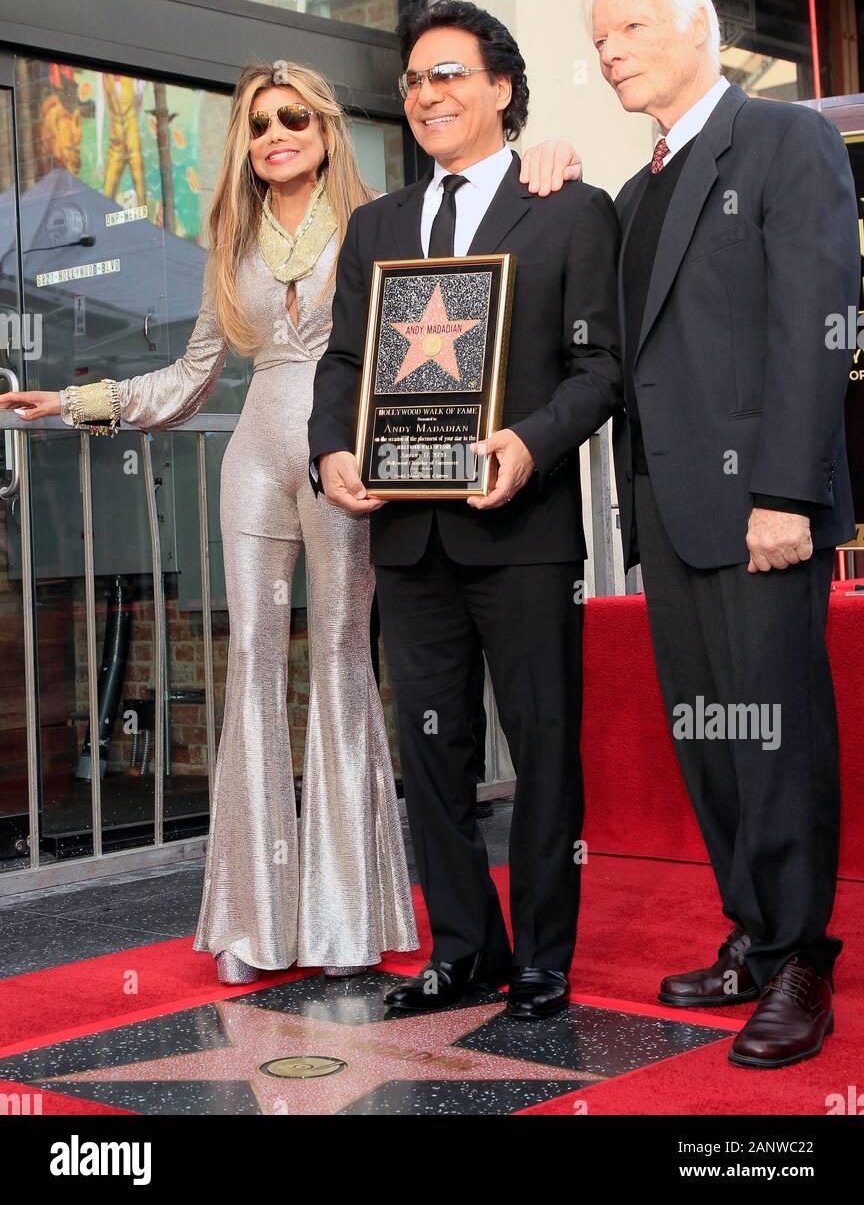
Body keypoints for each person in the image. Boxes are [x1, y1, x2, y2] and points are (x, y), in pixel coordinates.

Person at [0, 62, 580, 986]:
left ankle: (346, 923)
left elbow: (466, 301)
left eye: (296, 117)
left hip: (347, 462)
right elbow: (188, 380)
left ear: (324, 129)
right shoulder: (227, 245)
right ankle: (256, 924)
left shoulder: (385, 219)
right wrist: (77, 404)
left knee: (347, 664)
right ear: (245, 138)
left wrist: (550, 152)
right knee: (252, 672)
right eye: (260, 121)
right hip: (253, 471)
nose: (277, 132)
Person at [308, 0, 621, 1020]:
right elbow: (346, 362)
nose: (426, 94)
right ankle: (461, 948)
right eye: (412, 81)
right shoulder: (377, 226)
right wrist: (331, 451)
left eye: (447, 74)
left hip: (521, 531)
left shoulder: (571, 208)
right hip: (408, 533)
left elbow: (600, 367)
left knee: (541, 746)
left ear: (500, 88)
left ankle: (540, 954)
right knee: (431, 752)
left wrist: (528, 443)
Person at [587, 0, 859, 1068]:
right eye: (597, 36)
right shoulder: (637, 188)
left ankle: (803, 960)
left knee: (777, 736)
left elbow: (817, 321)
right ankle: (752, 931)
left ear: (701, 27)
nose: (609, 49)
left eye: (631, 26)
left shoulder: (787, 142)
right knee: (713, 738)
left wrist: (789, 491)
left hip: (762, 507)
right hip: (672, 512)